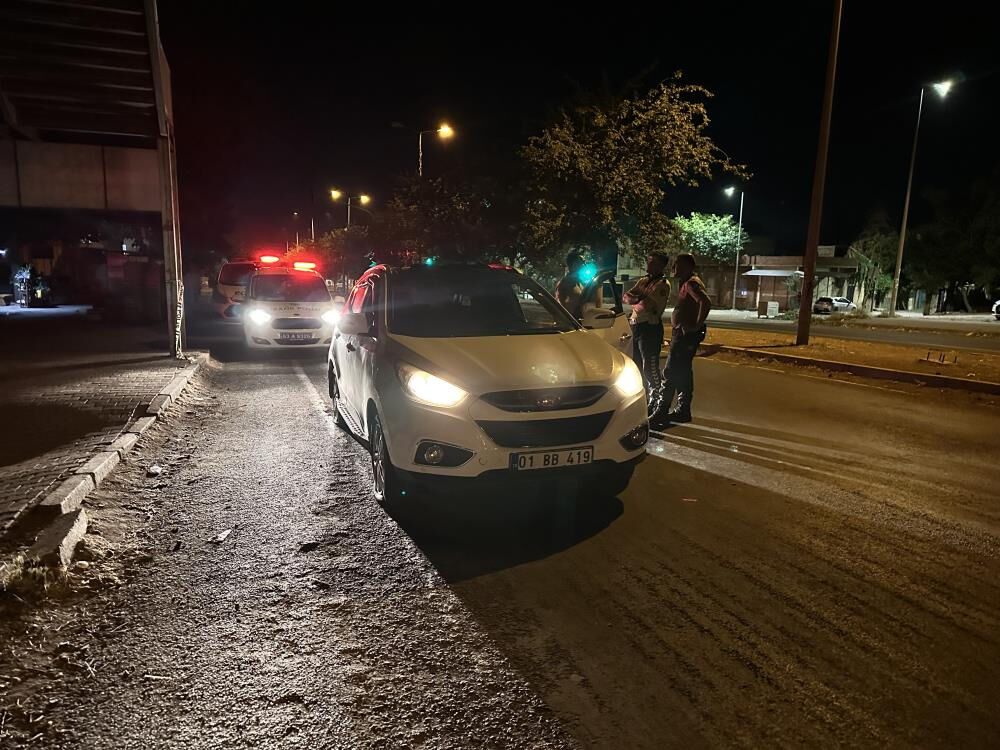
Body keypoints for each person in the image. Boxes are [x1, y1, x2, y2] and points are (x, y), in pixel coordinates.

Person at [650, 253, 711, 427]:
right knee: (684, 373)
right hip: (684, 334)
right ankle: (683, 410)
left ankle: (661, 412)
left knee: (670, 372)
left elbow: (705, 302)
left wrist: (696, 325)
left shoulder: (691, 283)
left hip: (685, 336)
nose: (673, 267)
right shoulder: (688, 282)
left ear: (686, 266)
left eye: (677, 264)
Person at [623, 251, 671, 411]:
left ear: (661, 266)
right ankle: (641, 397)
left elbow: (645, 305)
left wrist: (636, 299)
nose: (648, 265)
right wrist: (637, 299)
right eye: (648, 261)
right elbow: (627, 297)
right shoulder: (644, 281)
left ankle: (656, 399)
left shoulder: (662, 284)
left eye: (652, 262)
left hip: (650, 329)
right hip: (636, 326)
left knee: (649, 367)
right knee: (635, 364)